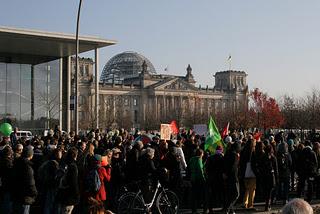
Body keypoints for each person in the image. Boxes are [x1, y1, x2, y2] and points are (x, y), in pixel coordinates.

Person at [11, 145, 38, 214]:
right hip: (24, 196)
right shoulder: (27, 167)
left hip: (15, 194)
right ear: (31, 155)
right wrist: (35, 193)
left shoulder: (16, 162)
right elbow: (30, 183)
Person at [56, 147, 80, 214]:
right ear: (75, 155)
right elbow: (74, 182)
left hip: (61, 191)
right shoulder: (72, 166)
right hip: (69, 195)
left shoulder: (63, 162)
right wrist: (77, 195)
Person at [188, 148, 206, 214]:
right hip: (198, 179)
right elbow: (200, 170)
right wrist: (204, 179)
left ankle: (193, 210)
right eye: (203, 153)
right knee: (200, 194)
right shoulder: (199, 159)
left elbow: (188, 168)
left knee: (193, 195)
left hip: (192, 178)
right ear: (201, 154)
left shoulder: (191, 159)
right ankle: (197, 209)